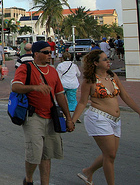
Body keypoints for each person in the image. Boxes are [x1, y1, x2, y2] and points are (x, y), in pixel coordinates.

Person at [71, 50, 140, 185]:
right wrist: (72, 121)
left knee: (110, 153)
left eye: (107, 59)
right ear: (96, 63)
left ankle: (89, 171)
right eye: (104, 59)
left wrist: (138, 111)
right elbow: (83, 102)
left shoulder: (112, 76)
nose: (108, 61)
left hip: (115, 120)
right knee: (110, 155)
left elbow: (125, 96)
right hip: (98, 118)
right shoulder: (90, 81)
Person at [12, 41, 75, 185]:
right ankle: (28, 179)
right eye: (46, 52)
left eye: (50, 51)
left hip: (51, 116)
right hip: (33, 116)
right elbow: (15, 87)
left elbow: (60, 94)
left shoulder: (53, 71)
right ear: (36, 53)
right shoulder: (26, 68)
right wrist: (35, 88)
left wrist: (69, 118)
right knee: (35, 153)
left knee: (47, 154)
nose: (49, 55)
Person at [56, 52, 81, 116]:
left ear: (63, 58)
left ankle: (63, 114)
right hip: (73, 85)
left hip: (63, 84)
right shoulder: (74, 65)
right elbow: (79, 74)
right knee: (72, 100)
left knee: (61, 100)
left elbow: (58, 76)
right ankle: (73, 115)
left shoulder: (60, 65)